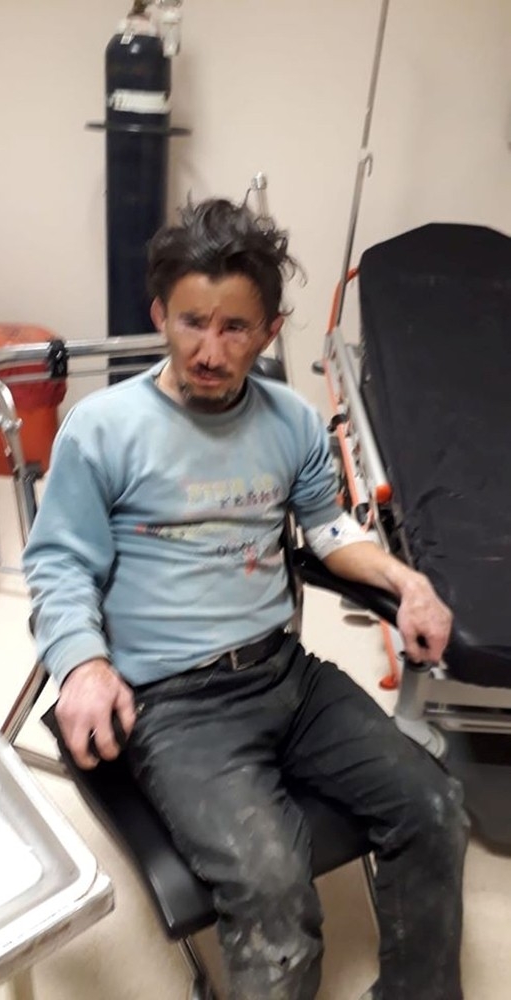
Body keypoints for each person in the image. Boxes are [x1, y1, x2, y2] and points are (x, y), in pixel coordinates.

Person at [23, 198, 468, 1000]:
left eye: (235, 328)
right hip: (173, 703)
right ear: (159, 314)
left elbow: (327, 530)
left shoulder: (291, 421)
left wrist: (407, 582)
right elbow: (58, 564)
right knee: (272, 887)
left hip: (285, 677)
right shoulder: (102, 429)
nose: (209, 350)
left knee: (434, 806)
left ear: (270, 330)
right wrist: (84, 665)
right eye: (192, 322)